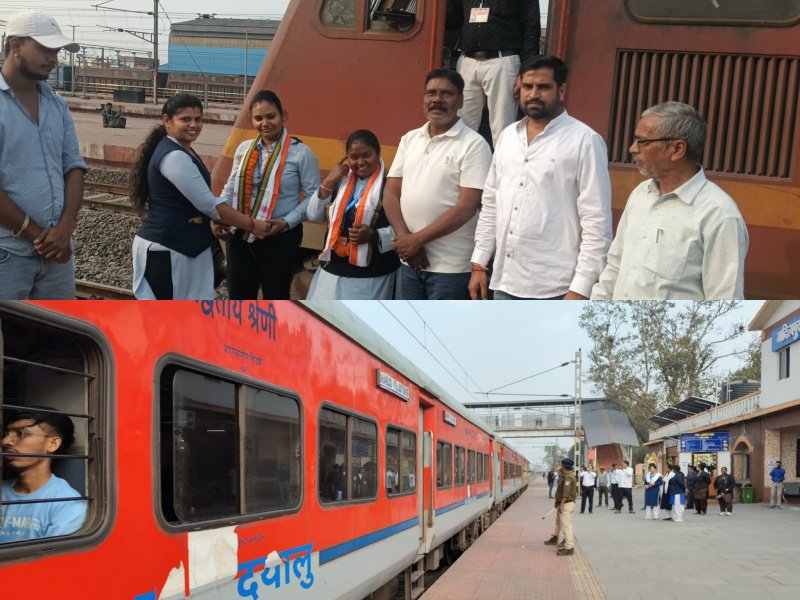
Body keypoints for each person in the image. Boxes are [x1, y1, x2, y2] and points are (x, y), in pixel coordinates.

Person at [469, 55, 612, 300]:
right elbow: (491, 202)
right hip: (504, 281)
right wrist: (479, 263)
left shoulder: (585, 141)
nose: (533, 94)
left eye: (544, 87)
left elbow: (596, 220)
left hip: (557, 287)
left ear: (561, 91)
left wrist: (581, 288)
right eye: (527, 86)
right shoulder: (508, 136)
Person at [591, 101, 748, 300]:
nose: (632, 148)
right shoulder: (641, 194)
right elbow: (615, 266)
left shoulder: (719, 215)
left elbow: (724, 301)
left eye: (642, 141)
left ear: (677, 149)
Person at [130, 93, 270, 299]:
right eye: (185, 119)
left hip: (182, 247)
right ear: (167, 120)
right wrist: (252, 225)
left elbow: (197, 203)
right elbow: (210, 205)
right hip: (168, 249)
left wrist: (209, 224)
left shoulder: (181, 149)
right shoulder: (174, 156)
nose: (193, 125)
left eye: (198, 119)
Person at [0, 11, 87, 299]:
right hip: (7, 254)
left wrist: (66, 228)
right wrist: (38, 235)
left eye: (57, 51)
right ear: (15, 46)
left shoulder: (57, 105)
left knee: (59, 328)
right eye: (46, 49)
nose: (54, 58)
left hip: (57, 257)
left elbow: (73, 167)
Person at [384, 69, 492, 300]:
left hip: (450, 268)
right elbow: (391, 193)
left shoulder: (474, 145)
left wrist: (417, 240)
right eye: (431, 93)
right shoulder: (410, 139)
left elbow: (466, 206)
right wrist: (406, 239)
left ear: (460, 100)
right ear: (423, 98)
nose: (437, 99)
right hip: (409, 261)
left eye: (446, 94)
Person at [215, 90, 320, 300]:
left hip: (279, 239)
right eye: (258, 118)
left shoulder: (301, 153)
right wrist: (219, 217)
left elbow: (313, 198)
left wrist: (287, 223)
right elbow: (231, 186)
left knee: (275, 297)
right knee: (239, 298)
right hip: (241, 236)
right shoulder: (244, 149)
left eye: (270, 116)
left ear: (283, 115)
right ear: (252, 120)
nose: (265, 123)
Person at [306, 129, 399, 299]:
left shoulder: (390, 186)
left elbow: (405, 230)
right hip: (332, 271)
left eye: (367, 155)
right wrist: (328, 181)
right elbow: (313, 215)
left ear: (378, 154)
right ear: (346, 158)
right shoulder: (339, 182)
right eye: (354, 157)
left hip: (371, 276)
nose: (360, 162)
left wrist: (374, 236)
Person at [445, 0, 541, 146]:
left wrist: (528, 71)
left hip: (502, 60)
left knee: (503, 127)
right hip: (467, 60)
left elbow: (531, 26)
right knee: (461, 125)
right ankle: (463, 161)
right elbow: (452, 19)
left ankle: (503, 161)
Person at [1, 408, 87, 542]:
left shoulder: (66, 503)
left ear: (52, 444)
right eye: (7, 433)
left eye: (21, 433)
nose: (5, 441)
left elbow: (54, 553)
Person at [543, 457, 577, 556]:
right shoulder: (565, 475)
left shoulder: (569, 477)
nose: (560, 467)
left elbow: (566, 493)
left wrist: (561, 504)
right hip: (562, 503)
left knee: (566, 526)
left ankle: (569, 547)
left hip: (566, 504)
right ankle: (556, 538)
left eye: (561, 465)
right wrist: (557, 502)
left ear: (564, 466)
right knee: (558, 522)